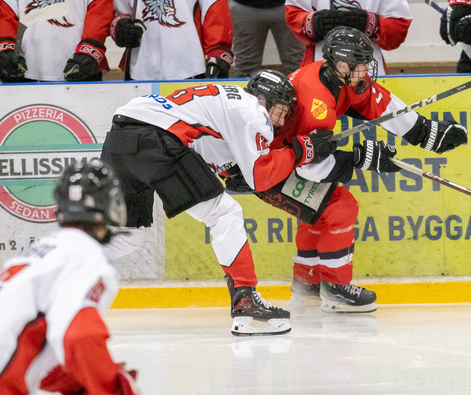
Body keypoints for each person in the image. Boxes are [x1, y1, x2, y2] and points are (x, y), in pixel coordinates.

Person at [99, 70, 335, 335]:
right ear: (263, 99)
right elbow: (261, 176)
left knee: (129, 236)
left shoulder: (228, 101)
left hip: (120, 137)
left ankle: (53, 259)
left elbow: (201, 147)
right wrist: (303, 151)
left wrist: (230, 171)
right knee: (224, 213)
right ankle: (245, 300)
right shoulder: (253, 112)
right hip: (155, 138)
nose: (281, 118)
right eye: (280, 108)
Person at [261, 27, 467, 312]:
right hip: (270, 167)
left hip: (291, 159)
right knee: (338, 207)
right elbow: (312, 169)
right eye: (360, 65)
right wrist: (361, 157)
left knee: (319, 211)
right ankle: (335, 290)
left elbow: (378, 102)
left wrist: (426, 133)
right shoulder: (314, 103)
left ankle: (308, 283)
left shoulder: (338, 76)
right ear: (342, 65)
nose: (367, 70)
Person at [0, 159, 142, 395]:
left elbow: (33, 345)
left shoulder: (41, 252)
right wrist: (108, 386)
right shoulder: (87, 256)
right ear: (110, 208)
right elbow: (81, 334)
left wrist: (76, 379)